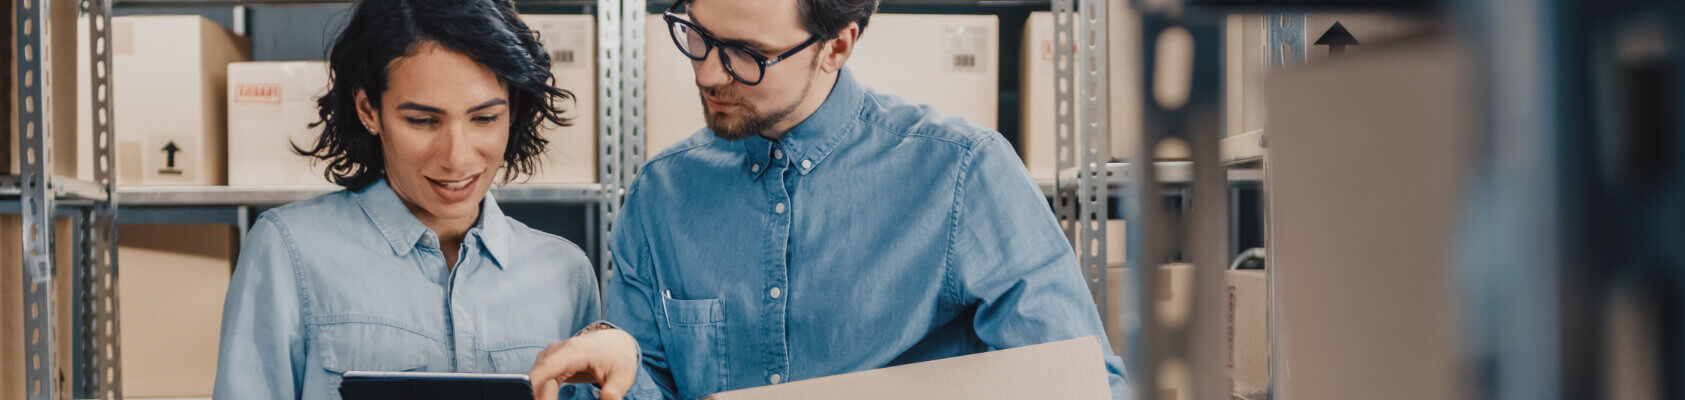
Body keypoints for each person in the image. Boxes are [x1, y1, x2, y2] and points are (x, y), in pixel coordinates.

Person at [525, 0, 1127, 398]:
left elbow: (1084, 384)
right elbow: (650, 377)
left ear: (836, 46)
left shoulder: (964, 174)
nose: (709, 73)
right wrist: (620, 362)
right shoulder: (662, 194)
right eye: (698, 35)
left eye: (747, 55)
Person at [211, 0, 600, 398]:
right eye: (423, 120)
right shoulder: (289, 252)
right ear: (369, 110)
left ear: (512, 109)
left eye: (484, 118)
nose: (457, 156)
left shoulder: (567, 275)